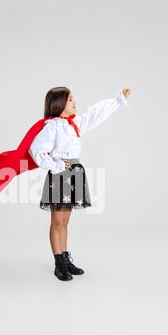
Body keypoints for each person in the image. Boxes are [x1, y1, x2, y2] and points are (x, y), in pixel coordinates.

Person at [28, 86, 131, 281]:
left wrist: (117, 101)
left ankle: (65, 258)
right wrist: (55, 165)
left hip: (74, 173)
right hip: (60, 175)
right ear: (59, 104)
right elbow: (36, 149)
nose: (74, 102)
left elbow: (95, 114)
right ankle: (58, 263)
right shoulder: (53, 126)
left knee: (65, 222)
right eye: (70, 99)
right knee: (57, 222)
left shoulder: (74, 124)